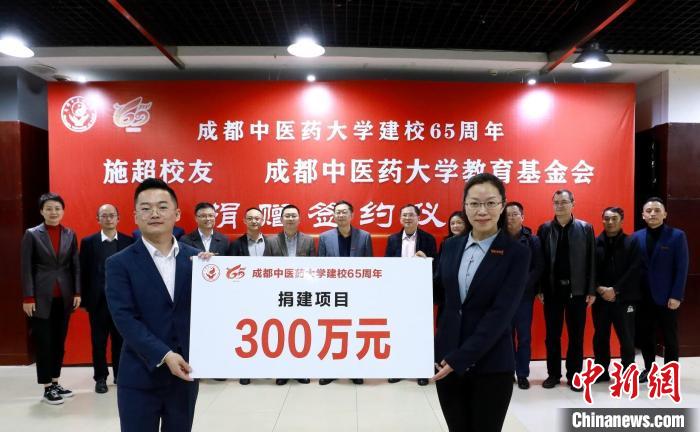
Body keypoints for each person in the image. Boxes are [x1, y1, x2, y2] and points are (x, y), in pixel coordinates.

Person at [106, 178, 209, 432]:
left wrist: (216, 275)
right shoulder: (119, 263)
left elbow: (213, 310)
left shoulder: (197, 260)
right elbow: (124, 318)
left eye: (162, 207)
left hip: (185, 375)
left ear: (177, 214)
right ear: (135, 216)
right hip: (140, 375)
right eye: (146, 208)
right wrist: (164, 355)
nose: (154, 213)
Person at [432, 173, 529, 432]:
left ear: (502, 205)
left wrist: (461, 358)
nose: (482, 211)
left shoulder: (517, 253)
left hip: (491, 364)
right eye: (474, 203)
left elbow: (501, 314)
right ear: (465, 206)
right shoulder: (450, 246)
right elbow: (441, 295)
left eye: (490, 203)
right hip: (447, 361)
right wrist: (412, 277)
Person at [21, 193, 81, 405]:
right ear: (41, 211)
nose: (53, 212)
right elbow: (26, 267)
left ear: (62, 211)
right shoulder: (32, 234)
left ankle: (55, 382)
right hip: (40, 297)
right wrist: (28, 296)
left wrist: (77, 292)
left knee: (58, 342)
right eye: (49, 208)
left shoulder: (69, 234)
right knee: (44, 343)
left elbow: (75, 265)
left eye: (57, 208)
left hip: (64, 297)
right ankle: (47, 387)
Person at [537, 189, 596, 391]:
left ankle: (575, 375)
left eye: (564, 202)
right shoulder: (545, 229)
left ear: (573, 203)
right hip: (552, 291)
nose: (560, 205)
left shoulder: (585, 228)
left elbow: (592, 260)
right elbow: (540, 262)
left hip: (577, 292)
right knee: (552, 336)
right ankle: (553, 374)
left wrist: (591, 290)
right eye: (556, 202)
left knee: (576, 336)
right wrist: (540, 288)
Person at [80, 203, 134, 393]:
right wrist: (84, 300)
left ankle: (120, 375)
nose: (108, 219)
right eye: (104, 215)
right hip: (98, 302)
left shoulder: (129, 241)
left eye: (112, 215)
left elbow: (133, 272)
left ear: (118, 218)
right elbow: (83, 272)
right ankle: (101, 378)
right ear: (98, 219)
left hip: (122, 302)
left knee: (121, 341)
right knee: (99, 342)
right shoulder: (89, 242)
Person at [633, 197, 689, 383]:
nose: (653, 214)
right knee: (646, 336)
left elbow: (681, 268)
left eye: (657, 210)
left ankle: (669, 373)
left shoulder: (677, 236)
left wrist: (676, 295)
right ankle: (649, 369)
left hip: (667, 297)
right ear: (643, 215)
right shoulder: (636, 237)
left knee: (669, 336)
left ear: (665, 214)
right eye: (648, 211)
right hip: (643, 296)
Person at [318, 200, 373, 385]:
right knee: (331, 331)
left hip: (357, 293)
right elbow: (320, 268)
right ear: (333, 216)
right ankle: (330, 370)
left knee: (354, 331)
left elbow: (370, 267)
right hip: (332, 294)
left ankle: (355, 370)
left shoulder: (364, 236)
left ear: (352, 215)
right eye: (337, 212)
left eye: (344, 212)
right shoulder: (325, 237)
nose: (340, 215)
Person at [385, 203, 437, 386]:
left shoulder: (428, 239)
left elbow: (436, 266)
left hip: (420, 293)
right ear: (400, 218)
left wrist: (426, 260)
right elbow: (387, 266)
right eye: (404, 215)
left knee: (420, 332)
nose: (407, 218)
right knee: (399, 331)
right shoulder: (392, 239)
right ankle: (399, 369)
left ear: (418, 218)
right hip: (398, 293)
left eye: (411, 215)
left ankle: (421, 370)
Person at [592, 207, 642, 382]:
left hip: (625, 298)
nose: (610, 222)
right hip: (601, 299)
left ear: (622, 220)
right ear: (602, 220)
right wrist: (599, 288)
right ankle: (601, 371)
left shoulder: (632, 242)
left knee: (627, 338)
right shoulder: (595, 242)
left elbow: (635, 269)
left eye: (614, 218)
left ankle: (627, 372)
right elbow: (589, 269)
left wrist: (615, 289)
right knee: (600, 337)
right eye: (607, 218)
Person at [268, 204, 315, 385]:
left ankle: (301, 370)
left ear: (299, 219)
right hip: (279, 295)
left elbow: (315, 269)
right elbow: (265, 269)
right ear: (281, 219)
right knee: (281, 333)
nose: (290, 218)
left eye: (293, 215)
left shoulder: (308, 241)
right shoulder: (271, 241)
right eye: (287, 216)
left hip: (302, 295)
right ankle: (282, 371)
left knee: (300, 333)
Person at [505, 202, 543, 390]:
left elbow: (538, 267)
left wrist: (521, 284)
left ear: (522, 217)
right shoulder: (498, 239)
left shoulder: (532, 240)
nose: (511, 218)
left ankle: (522, 374)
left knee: (524, 337)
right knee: (506, 337)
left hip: (523, 298)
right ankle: (508, 371)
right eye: (507, 215)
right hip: (503, 298)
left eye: (514, 214)